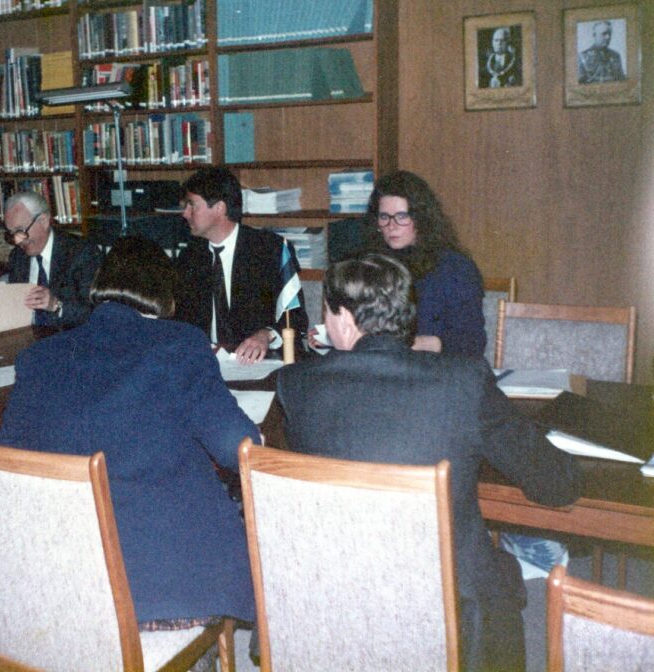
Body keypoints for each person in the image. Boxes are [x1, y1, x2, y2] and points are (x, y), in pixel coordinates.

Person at [277, 253, 582, 672]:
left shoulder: (296, 385)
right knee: (498, 569)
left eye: (326, 314)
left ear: (344, 319)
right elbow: (554, 483)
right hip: (450, 602)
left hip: (337, 590)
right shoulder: (463, 380)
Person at [0, 236, 259, 630]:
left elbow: (5, 461)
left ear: (98, 287)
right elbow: (238, 448)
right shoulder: (182, 344)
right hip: (158, 586)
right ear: (165, 294)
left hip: (55, 574)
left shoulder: (37, 357)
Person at [174, 167, 308, 364]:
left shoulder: (270, 250)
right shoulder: (190, 257)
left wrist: (266, 334)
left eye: (192, 205)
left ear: (219, 208)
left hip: (262, 362)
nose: (185, 213)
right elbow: (180, 320)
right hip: (207, 364)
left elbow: (294, 317)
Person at [355, 170, 486, 357]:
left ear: (421, 219)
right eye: (384, 217)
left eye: (402, 216)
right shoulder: (371, 264)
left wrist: (411, 343)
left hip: (435, 366)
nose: (392, 226)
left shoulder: (456, 268)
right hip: (380, 363)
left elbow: (471, 343)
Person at [2, 191, 103, 327]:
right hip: (28, 333)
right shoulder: (17, 256)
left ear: (43, 221)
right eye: (11, 234)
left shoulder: (82, 253)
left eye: (20, 231)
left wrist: (56, 305)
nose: (17, 240)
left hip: (70, 335)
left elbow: (95, 312)